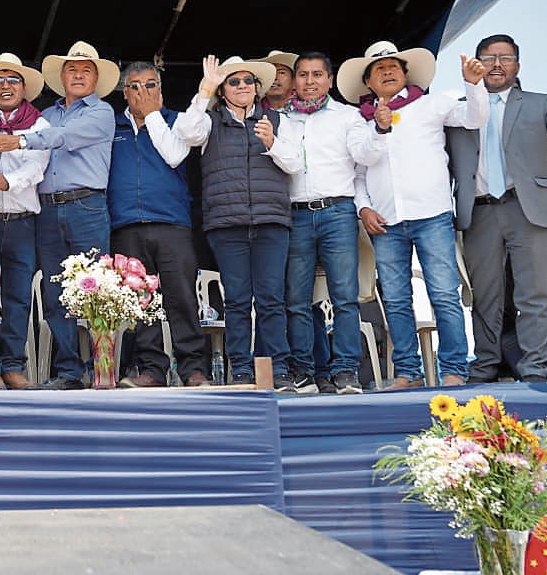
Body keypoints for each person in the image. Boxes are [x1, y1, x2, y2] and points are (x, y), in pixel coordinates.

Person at [340, 41, 487, 388]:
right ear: (369, 83)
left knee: (444, 294)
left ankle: (454, 370)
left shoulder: (432, 104)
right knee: (395, 298)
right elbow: (360, 168)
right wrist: (363, 208)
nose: (388, 71)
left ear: (405, 73)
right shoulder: (359, 122)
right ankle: (408, 371)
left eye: (394, 66)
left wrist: (472, 84)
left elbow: (475, 117)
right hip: (386, 222)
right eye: (379, 69)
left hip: (432, 214)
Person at [0, 41, 118, 390]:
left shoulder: (102, 112)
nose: (78, 75)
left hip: (86, 205)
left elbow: (63, 138)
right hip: (47, 209)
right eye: (72, 70)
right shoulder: (47, 115)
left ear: (96, 79)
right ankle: (68, 372)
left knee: (96, 291)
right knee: (55, 292)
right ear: (61, 77)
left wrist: (20, 142)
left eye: (85, 70)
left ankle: (102, 370)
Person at [174, 55, 303, 391]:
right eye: (234, 81)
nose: (242, 86)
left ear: (256, 88)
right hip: (226, 223)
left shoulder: (276, 120)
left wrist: (271, 142)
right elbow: (186, 133)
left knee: (272, 298)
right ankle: (242, 370)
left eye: (248, 81)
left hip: (271, 221)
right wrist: (204, 91)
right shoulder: (209, 121)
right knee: (237, 300)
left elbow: (295, 164)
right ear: (223, 89)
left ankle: (279, 368)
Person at [446, 34, 547, 383]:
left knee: (535, 294)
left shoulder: (542, 104)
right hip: (478, 211)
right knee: (486, 295)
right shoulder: (456, 110)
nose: (496, 64)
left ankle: (535, 369)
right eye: (488, 57)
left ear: (517, 66)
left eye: (505, 58)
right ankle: (485, 366)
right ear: (474, 64)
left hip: (529, 208)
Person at [278, 52, 377, 395]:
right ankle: (303, 370)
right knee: (296, 298)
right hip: (296, 213)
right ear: (295, 80)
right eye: (303, 75)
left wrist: (379, 127)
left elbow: (365, 157)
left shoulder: (348, 116)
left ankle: (346, 370)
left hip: (338, 211)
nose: (309, 81)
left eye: (317, 74)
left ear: (330, 80)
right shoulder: (281, 119)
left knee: (345, 297)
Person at [105, 61, 207, 388]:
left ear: (161, 90)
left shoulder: (177, 122)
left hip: (171, 223)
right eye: (135, 86)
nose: (143, 92)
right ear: (124, 93)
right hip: (125, 225)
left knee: (181, 299)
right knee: (140, 303)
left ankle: (193, 369)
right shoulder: (112, 127)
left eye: (150, 85)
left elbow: (178, 155)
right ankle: (151, 369)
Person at [0, 52, 49, 390]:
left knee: (18, 297)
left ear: (24, 88)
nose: (5, 86)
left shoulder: (39, 124)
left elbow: (38, 166)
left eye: (12, 80)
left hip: (21, 222)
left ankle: (14, 365)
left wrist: (9, 181)